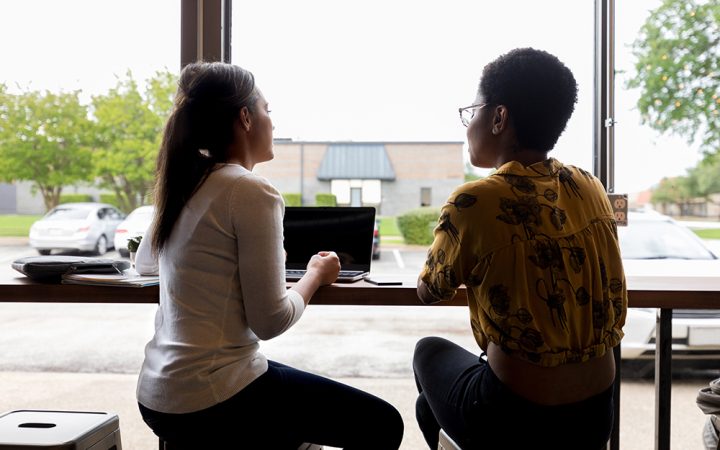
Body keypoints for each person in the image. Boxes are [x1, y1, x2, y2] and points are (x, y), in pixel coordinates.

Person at [134, 61, 403, 449]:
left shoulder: (186, 183)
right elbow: (271, 321)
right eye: (267, 111)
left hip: (158, 393)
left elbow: (144, 263)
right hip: (213, 398)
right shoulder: (249, 191)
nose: (272, 123)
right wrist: (315, 274)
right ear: (245, 118)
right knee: (382, 424)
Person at [412, 48, 628, 450]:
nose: (467, 124)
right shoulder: (590, 185)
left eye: (472, 110)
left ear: (499, 118)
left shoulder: (475, 201)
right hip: (597, 415)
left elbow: (430, 291)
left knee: (428, 352)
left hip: (516, 417)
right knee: (430, 408)